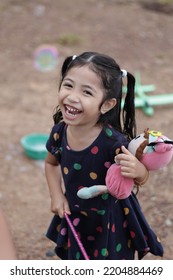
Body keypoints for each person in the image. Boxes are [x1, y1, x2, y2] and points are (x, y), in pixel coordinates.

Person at [45, 51, 163, 260]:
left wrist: (140, 170)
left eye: (87, 92)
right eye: (68, 85)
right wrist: (56, 194)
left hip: (110, 222)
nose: (72, 96)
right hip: (76, 214)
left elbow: (138, 180)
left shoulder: (114, 144)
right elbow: (51, 163)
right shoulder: (59, 132)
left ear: (107, 104)